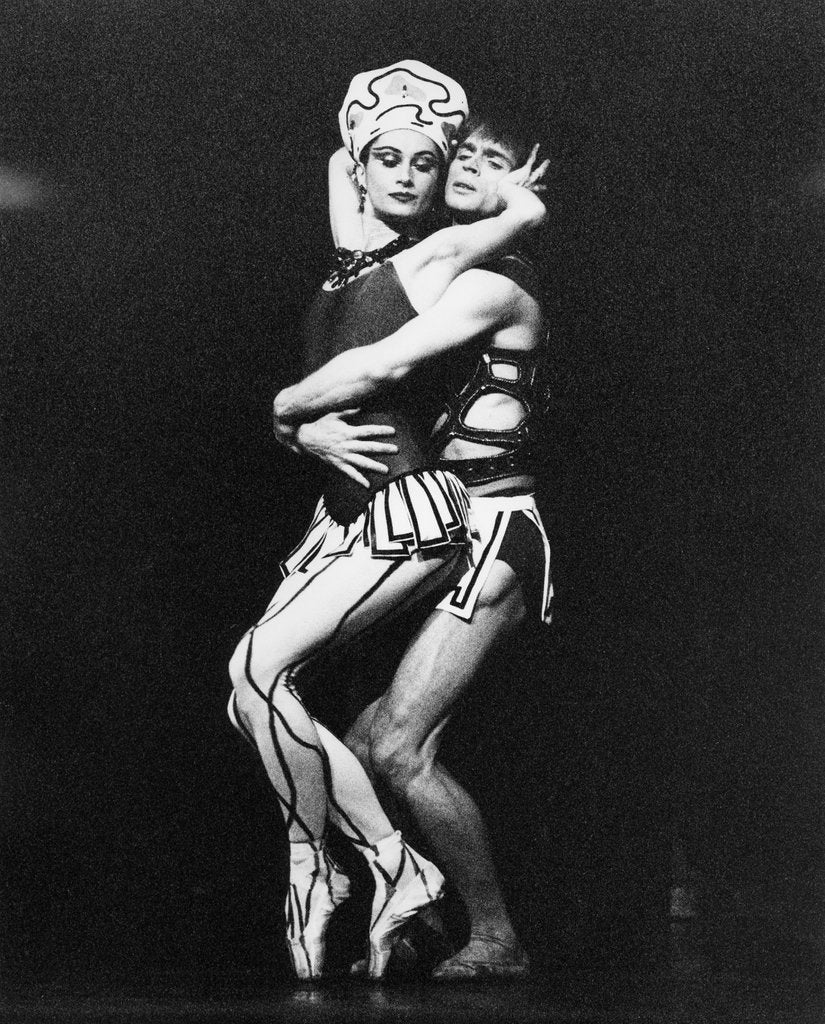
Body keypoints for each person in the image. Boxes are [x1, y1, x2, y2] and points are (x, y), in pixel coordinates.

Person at [229, 60, 546, 982]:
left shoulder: (493, 277)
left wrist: (287, 414)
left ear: (525, 181)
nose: (455, 169)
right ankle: (397, 880)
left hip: (491, 525)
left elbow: (372, 368)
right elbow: (352, 173)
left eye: (491, 159)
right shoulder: (404, 250)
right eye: (462, 154)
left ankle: (486, 931)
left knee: (394, 745)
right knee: (361, 736)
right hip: (417, 509)